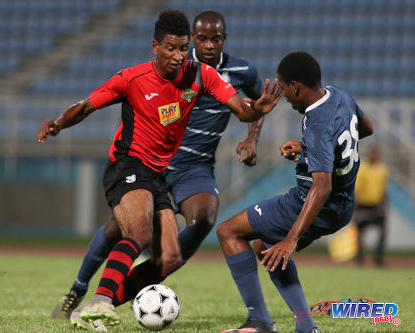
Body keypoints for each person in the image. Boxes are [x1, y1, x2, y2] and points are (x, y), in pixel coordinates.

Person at [38, 10, 281, 331]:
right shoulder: (132, 78)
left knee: (169, 257)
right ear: (155, 47)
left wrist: (255, 113)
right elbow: (85, 106)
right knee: (137, 232)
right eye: (171, 48)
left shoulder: (202, 75)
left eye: (182, 49)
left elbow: (240, 109)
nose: (178, 56)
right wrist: (57, 125)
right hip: (127, 163)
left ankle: (87, 301)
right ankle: (96, 298)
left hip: (157, 173)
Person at [217, 51, 373, 333]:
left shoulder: (315, 121)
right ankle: (305, 326)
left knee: (228, 230)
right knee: (265, 247)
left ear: (297, 87)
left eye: (285, 89)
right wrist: (311, 150)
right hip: (343, 206)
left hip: (310, 203)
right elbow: (366, 128)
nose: (285, 98)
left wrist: (292, 239)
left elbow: (321, 186)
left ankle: (259, 321)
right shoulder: (340, 96)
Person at [354, 147, 389, 266]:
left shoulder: (383, 169)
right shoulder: (363, 168)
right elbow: (357, 189)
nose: (374, 157)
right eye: (372, 154)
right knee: (360, 233)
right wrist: (355, 208)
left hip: (377, 205)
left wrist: (385, 205)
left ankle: (378, 259)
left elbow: (384, 189)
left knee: (383, 232)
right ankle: (360, 260)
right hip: (363, 204)